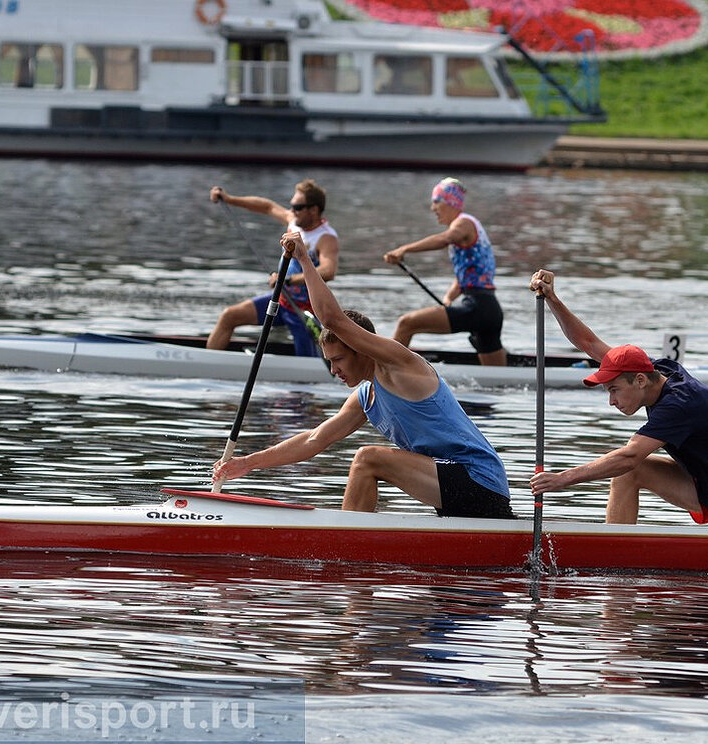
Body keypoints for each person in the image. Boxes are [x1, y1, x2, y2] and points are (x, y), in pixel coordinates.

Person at [213, 231, 515, 519]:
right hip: (452, 487)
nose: (335, 371)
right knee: (365, 458)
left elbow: (332, 318)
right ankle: (356, 536)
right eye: (329, 362)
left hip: (480, 482)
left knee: (367, 458)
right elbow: (314, 440)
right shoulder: (365, 398)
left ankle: (347, 541)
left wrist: (305, 260)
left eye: (339, 360)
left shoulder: (400, 364)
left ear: (361, 349)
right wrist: (246, 463)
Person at [527, 269, 708, 529]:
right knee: (626, 474)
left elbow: (630, 454)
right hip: (703, 486)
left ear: (640, 381)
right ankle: (615, 554)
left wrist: (563, 478)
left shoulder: (681, 404)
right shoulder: (658, 369)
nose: (611, 401)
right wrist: (553, 299)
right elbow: (589, 343)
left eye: (613, 390)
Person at [383, 178, 507, 366]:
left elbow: (444, 239)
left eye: (436, 201)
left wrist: (404, 250)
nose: (432, 208)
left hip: (477, 308)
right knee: (499, 379)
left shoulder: (463, 223)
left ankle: (384, 375)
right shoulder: (471, 227)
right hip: (489, 310)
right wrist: (449, 298)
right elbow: (465, 277)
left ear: (451, 203)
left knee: (406, 324)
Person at [207, 179, 339, 356]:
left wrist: (287, 280)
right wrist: (229, 199)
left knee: (309, 367)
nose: (292, 210)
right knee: (229, 316)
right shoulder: (294, 220)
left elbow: (328, 271)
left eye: (298, 207)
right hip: (282, 300)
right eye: (291, 205)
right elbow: (267, 207)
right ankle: (209, 361)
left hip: (303, 310)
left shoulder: (326, 238)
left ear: (314, 210)